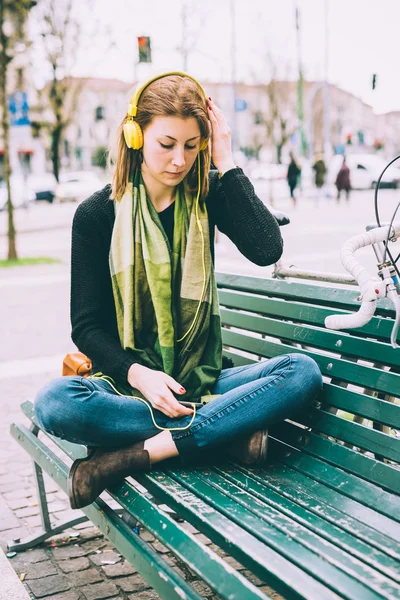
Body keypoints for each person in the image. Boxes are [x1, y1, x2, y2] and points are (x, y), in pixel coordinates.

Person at [34, 72, 322, 510]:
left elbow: (267, 249)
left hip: (201, 380)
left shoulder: (207, 195)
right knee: (56, 403)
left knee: (300, 372)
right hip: (127, 384)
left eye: (192, 145)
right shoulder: (97, 214)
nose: (179, 159)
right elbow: (87, 326)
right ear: (136, 136)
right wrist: (140, 375)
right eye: (166, 144)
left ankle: (144, 453)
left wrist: (225, 158)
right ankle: (224, 436)